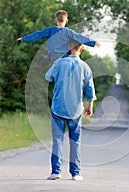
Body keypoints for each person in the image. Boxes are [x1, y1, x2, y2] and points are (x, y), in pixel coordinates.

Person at [45, 39, 96, 181]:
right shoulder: (85, 67)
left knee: (57, 140)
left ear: (68, 47)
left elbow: (48, 77)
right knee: (75, 141)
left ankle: (56, 171)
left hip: (58, 107)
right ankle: (75, 173)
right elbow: (90, 89)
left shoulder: (59, 63)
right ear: (81, 49)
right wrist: (90, 106)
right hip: (75, 109)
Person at [17, 10, 101, 62]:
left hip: (54, 57)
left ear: (55, 20)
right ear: (66, 21)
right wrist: (93, 43)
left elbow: (37, 35)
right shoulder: (68, 32)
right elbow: (79, 37)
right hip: (65, 57)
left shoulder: (50, 30)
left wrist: (24, 39)